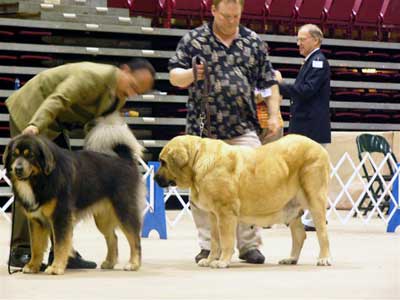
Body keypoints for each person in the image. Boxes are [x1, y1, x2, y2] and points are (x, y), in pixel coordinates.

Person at [6, 59, 155, 268]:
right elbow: (58, 99)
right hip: (32, 111)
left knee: (62, 190)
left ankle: (65, 253)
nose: (132, 94)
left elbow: (93, 126)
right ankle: (21, 250)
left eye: (137, 92)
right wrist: (34, 125)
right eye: (132, 86)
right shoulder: (91, 76)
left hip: (57, 124)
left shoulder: (118, 96)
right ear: (125, 71)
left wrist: (99, 165)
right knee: (28, 186)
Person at [168, 0, 282, 264]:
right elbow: (174, 76)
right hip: (203, 131)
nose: (232, 21)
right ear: (214, 11)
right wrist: (190, 74)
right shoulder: (194, 39)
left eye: (237, 16)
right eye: (227, 16)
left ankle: (248, 245)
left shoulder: (253, 41)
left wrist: (274, 114)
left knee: (252, 183)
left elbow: (268, 83)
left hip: (243, 126)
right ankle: (208, 245)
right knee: (202, 191)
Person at [275, 24, 331, 231]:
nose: (298, 43)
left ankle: (314, 217)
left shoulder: (318, 62)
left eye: (302, 39)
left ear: (315, 40)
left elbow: (306, 91)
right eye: (298, 39)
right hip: (305, 126)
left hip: (312, 128)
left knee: (314, 175)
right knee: (300, 175)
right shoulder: (310, 62)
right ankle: (300, 215)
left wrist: (279, 86)